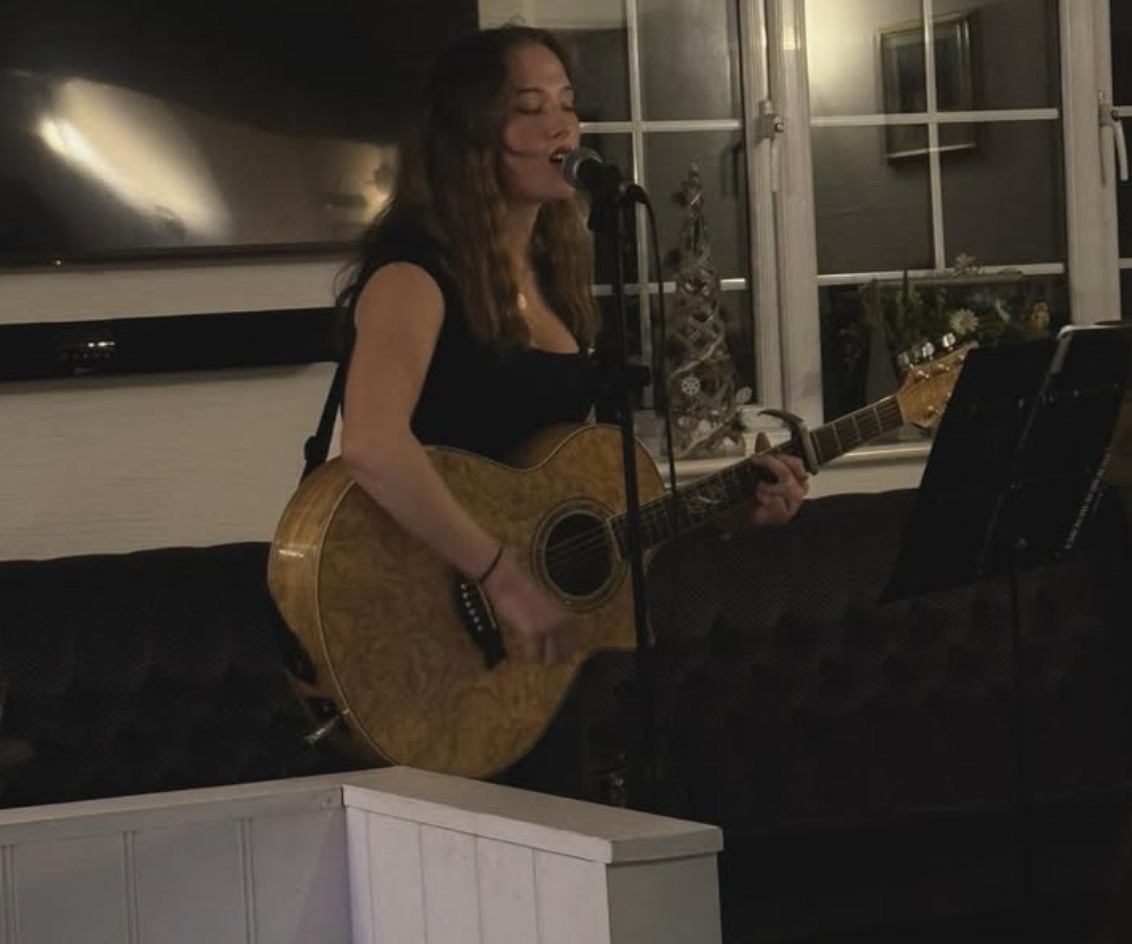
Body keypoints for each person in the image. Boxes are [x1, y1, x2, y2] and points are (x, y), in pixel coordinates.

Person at [334, 23, 809, 792]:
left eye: (567, 104)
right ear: (472, 135)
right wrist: (501, 577)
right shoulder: (414, 273)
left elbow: (569, 496)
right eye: (529, 107)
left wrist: (729, 510)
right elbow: (374, 444)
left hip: (545, 656)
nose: (562, 126)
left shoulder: (553, 277)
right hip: (440, 632)